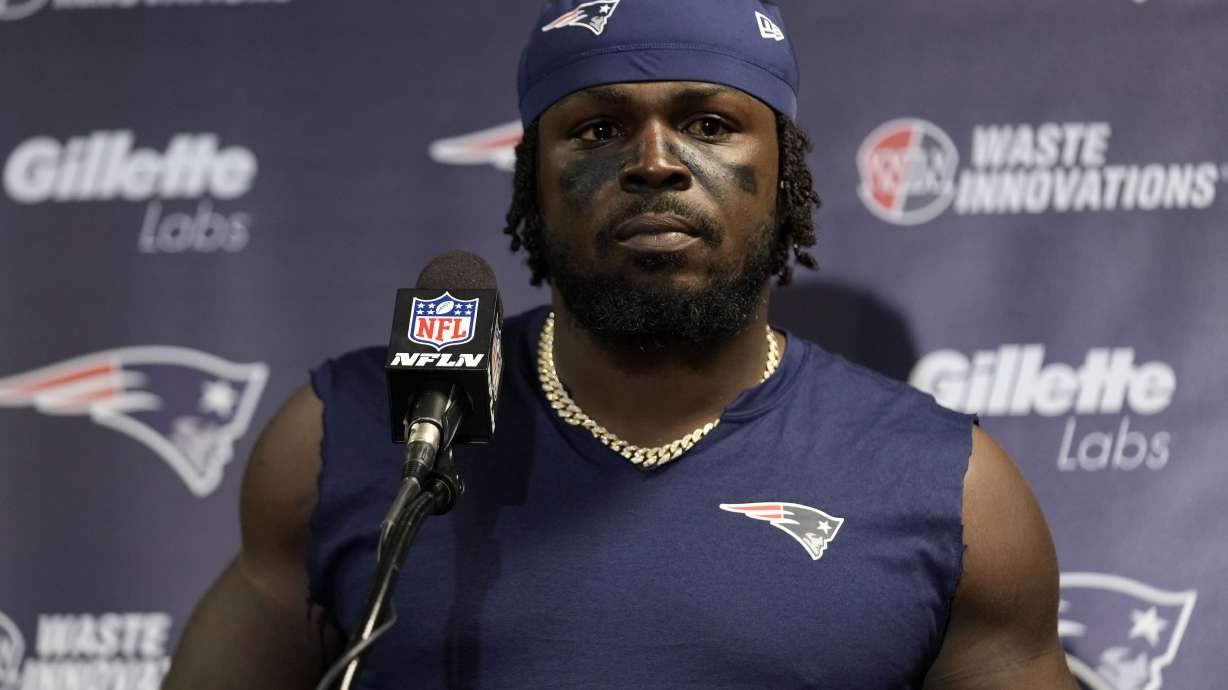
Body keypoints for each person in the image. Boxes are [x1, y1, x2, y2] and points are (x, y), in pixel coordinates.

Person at [166, 1, 1077, 687]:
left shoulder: (946, 485)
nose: (654, 160)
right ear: (534, 180)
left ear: (786, 176)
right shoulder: (353, 434)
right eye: (598, 128)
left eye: (710, 123)